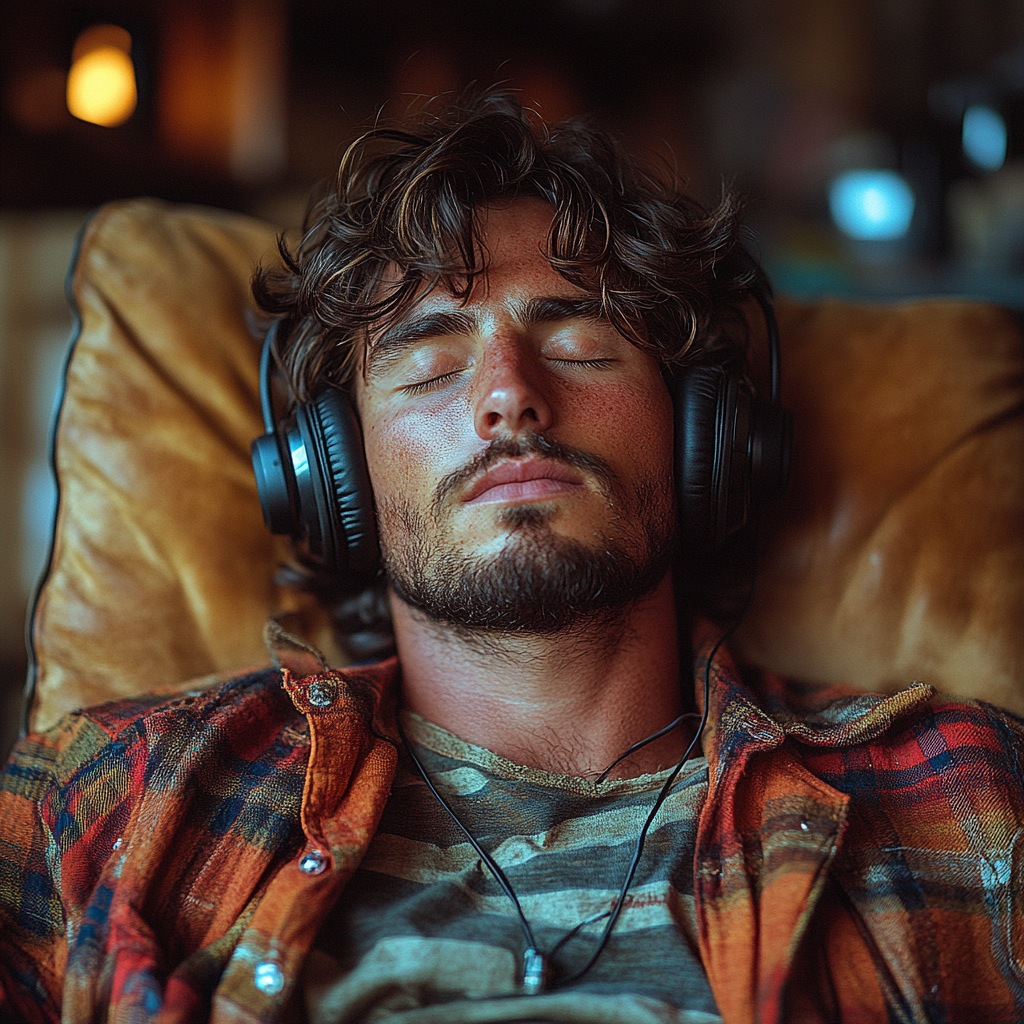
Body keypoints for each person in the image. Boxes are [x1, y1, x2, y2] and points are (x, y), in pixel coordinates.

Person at [1, 92, 1022, 1024]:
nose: (507, 395)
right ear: (330, 474)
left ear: (708, 435)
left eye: (579, 340)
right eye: (430, 359)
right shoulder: (105, 801)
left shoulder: (972, 799)